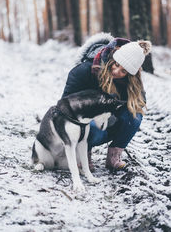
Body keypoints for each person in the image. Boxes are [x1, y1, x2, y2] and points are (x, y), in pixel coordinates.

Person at [62, 33, 152, 171]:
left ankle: (113, 157)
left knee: (135, 115)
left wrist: (115, 112)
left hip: (106, 122)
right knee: (95, 126)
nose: (116, 71)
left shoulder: (129, 81)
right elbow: (64, 108)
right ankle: (82, 154)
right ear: (113, 57)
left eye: (124, 71)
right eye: (116, 64)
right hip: (80, 125)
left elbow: (140, 102)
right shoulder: (84, 71)